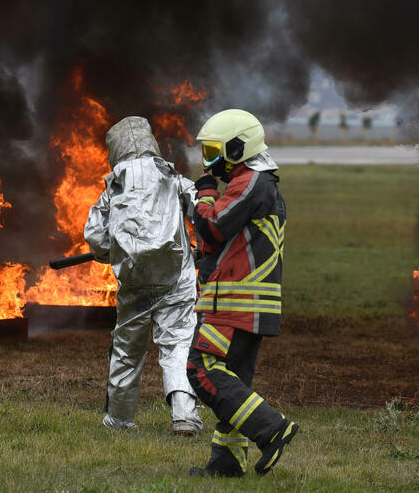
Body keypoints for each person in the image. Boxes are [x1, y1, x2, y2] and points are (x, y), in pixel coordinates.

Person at [185, 108, 297, 477]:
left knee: (201, 369)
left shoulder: (250, 181)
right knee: (233, 379)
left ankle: (271, 428)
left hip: (234, 303)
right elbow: (221, 242)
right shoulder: (261, 185)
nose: (208, 163)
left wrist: (204, 195)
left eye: (213, 152)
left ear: (237, 149)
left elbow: (211, 227)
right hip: (249, 305)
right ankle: (227, 462)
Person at [84, 116, 204, 436]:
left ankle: (119, 419)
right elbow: (201, 210)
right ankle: (184, 415)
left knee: (127, 349)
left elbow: (95, 236)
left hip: (134, 280)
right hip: (174, 275)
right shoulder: (171, 176)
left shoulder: (114, 183)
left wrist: (111, 253)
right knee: (177, 343)